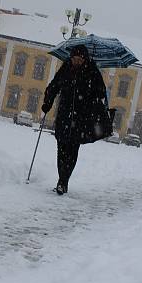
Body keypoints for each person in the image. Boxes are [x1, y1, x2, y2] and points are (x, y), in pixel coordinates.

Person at [42, 45, 108, 195]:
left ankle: (63, 181)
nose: (76, 61)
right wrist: (48, 102)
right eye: (74, 58)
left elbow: (102, 92)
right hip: (64, 115)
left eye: (79, 59)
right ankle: (62, 178)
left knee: (72, 150)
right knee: (61, 148)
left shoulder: (92, 71)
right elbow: (54, 86)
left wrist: (92, 95)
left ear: (84, 59)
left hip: (81, 118)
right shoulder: (66, 68)